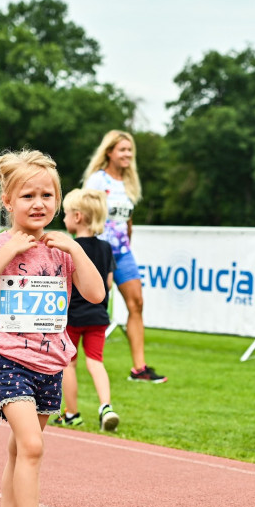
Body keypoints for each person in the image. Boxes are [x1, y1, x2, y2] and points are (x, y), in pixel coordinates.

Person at [0, 148, 105, 507]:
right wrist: (9, 251)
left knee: (19, 448)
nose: (38, 203)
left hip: (50, 362)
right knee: (32, 444)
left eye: (47, 195)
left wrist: (76, 251)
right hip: (8, 358)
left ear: (58, 201)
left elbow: (96, 296)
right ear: (8, 202)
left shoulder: (63, 248)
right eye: (27, 196)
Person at [83, 130, 166, 383]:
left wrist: (128, 240)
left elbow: (128, 219)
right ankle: (75, 362)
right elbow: (84, 212)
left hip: (123, 252)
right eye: (122, 149)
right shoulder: (97, 180)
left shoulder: (130, 184)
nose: (127, 154)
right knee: (92, 308)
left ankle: (139, 369)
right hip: (99, 251)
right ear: (109, 152)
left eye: (130, 150)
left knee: (137, 303)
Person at [53, 188, 120, 432]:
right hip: (98, 315)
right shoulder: (105, 248)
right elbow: (109, 283)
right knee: (96, 361)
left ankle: (72, 413)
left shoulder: (67, 247)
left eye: (67, 214)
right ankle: (106, 406)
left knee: (69, 364)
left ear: (78, 217)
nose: (64, 218)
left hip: (71, 316)